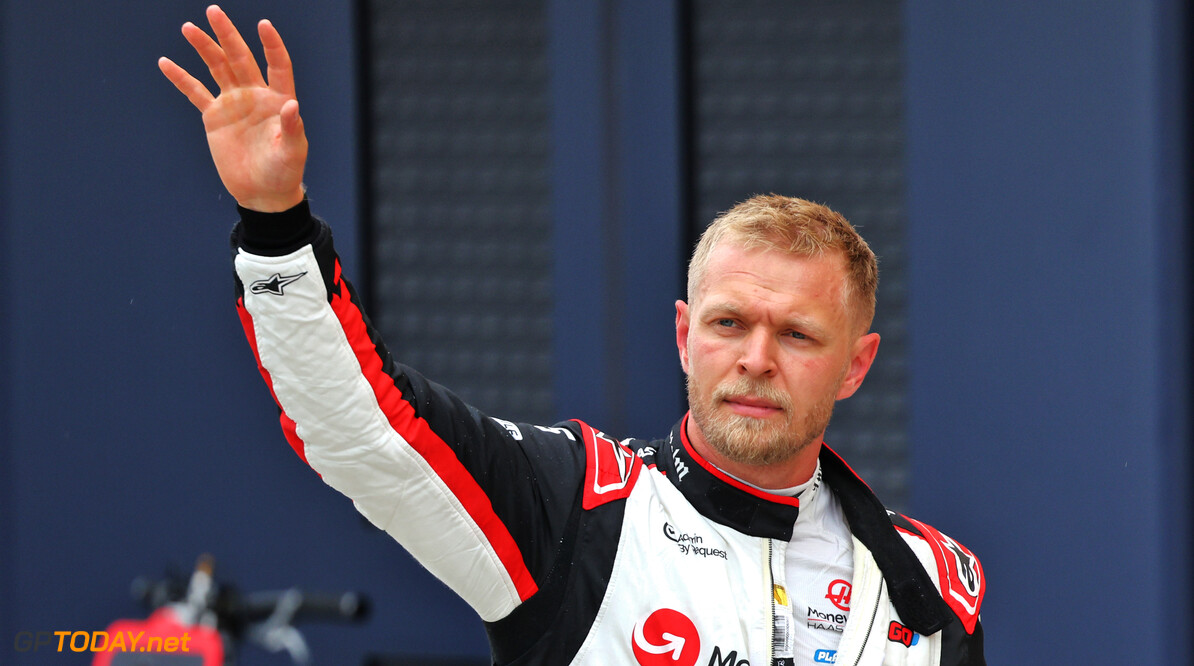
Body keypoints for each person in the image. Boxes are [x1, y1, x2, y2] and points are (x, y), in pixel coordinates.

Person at [161, 6, 985, 665]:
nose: (756, 359)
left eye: (799, 336)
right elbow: (361, 432)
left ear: (856, 365)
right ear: (682, 333)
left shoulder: (930, 586)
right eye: (728, 322)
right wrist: (276, 227)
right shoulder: (580, 510)